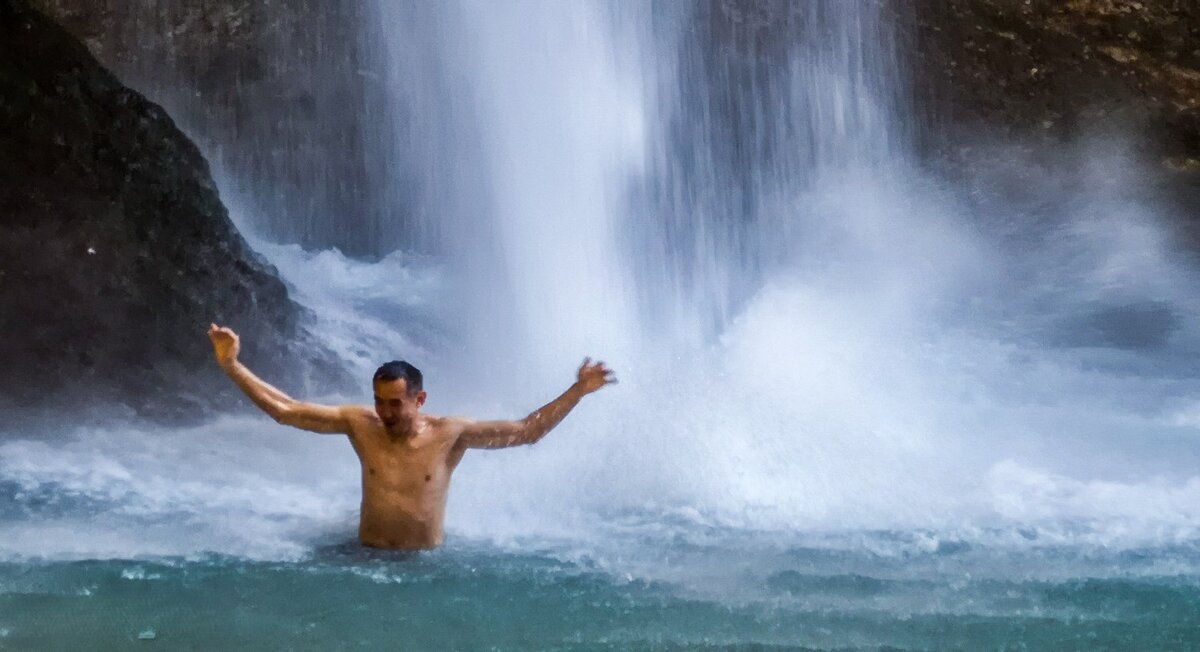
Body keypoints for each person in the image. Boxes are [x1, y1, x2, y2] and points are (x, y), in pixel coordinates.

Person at [207, 323, 615, 550]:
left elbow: (528, 431)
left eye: (395, 403)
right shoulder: (360, 424)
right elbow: (286, 411)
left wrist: (577, 390)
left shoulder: (451, 434)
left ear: (420, 399)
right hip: (363, 561)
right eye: (380, 402)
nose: (385, 412)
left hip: (422, 571)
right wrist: (231, 365)